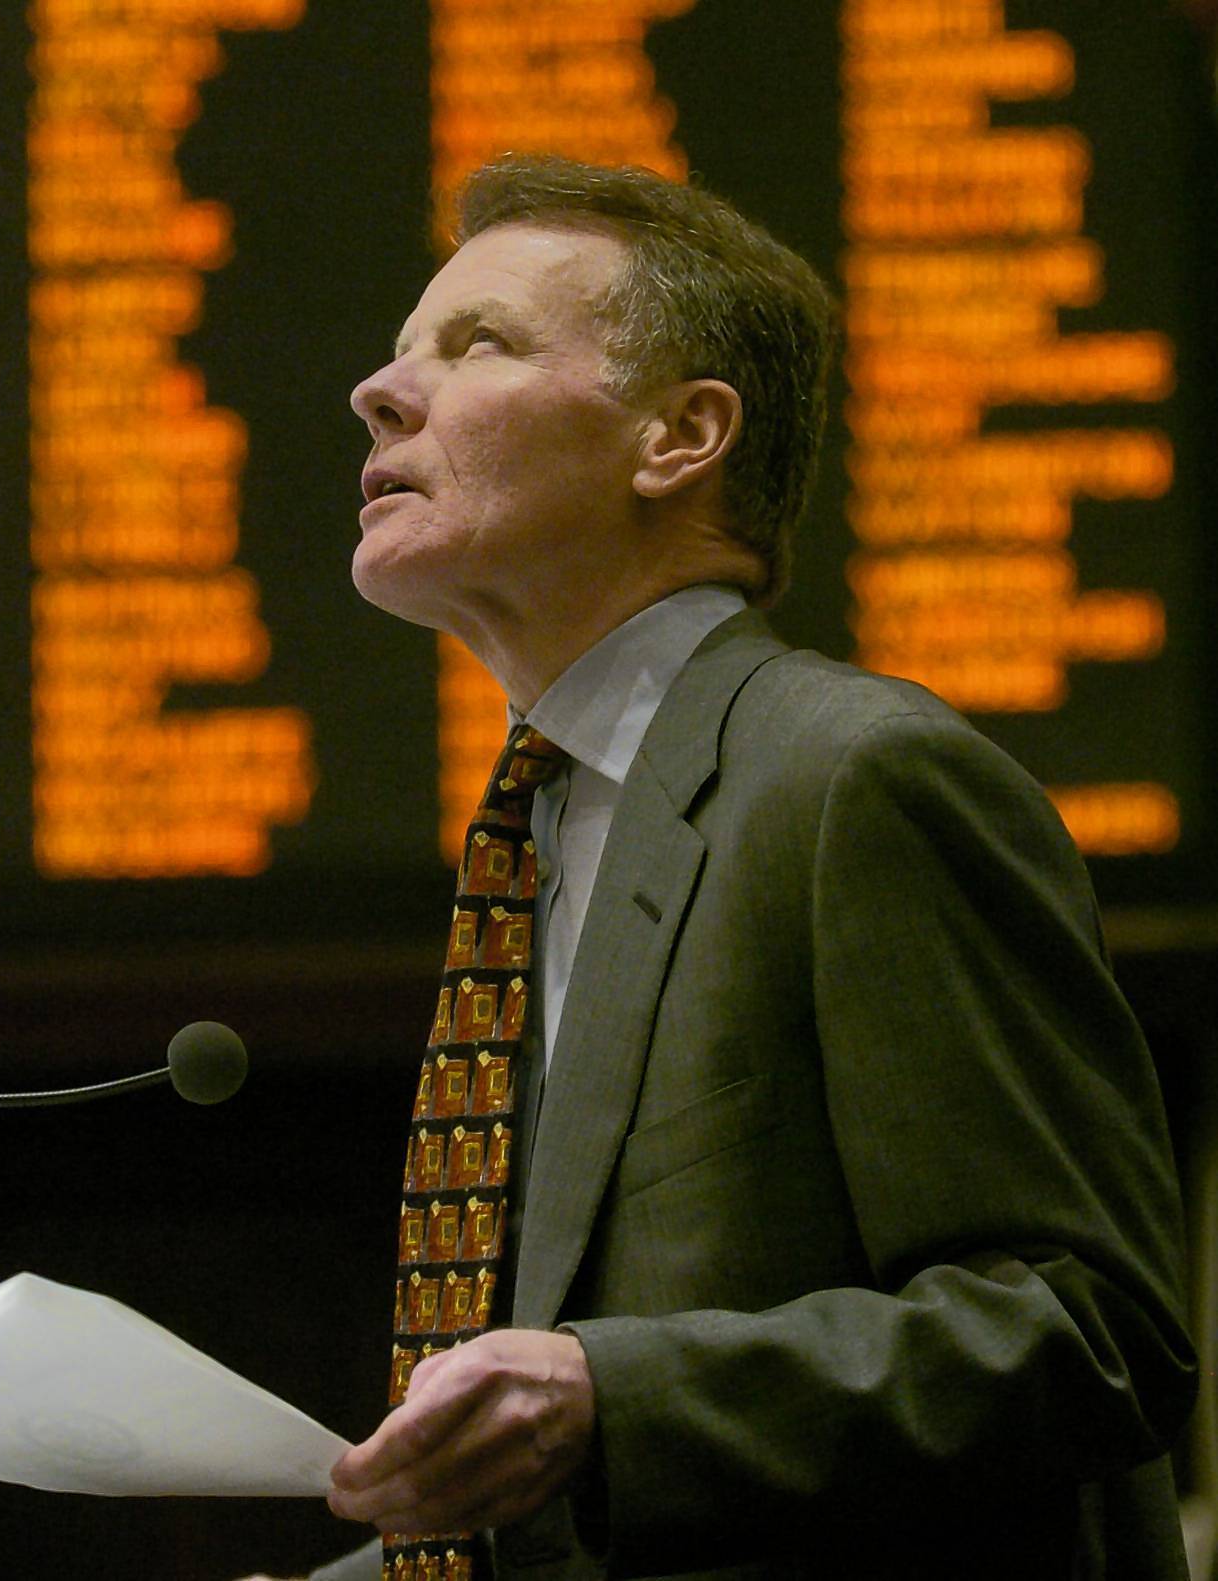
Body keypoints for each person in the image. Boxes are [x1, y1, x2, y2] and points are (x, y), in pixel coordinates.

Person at [312, 154, 1196, 1579]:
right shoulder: (539, 836)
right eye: (405, 348)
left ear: (679, 436)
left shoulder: (855, 778)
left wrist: (616, 1392)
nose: (380, 387)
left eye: (477, 344)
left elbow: (1090, 1333)